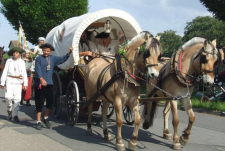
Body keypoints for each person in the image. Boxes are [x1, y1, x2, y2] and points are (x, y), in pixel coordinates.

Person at [34, 43, 73, 130]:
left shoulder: (52, 58)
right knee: (39, 102)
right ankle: (38, 121)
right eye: (44, 50)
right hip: (40, 84)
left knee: (50, 103)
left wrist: (69, 52)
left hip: (49, 84)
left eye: (47, 51)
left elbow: (62, 59)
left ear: (50, 51)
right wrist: (41, 79)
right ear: (42, 50)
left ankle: (46, 118)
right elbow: (38, 70)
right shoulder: (38, 58)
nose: (46, 52)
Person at [0, 47, 28, 122]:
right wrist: (2, 82)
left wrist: (25, 83)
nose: (15, 54)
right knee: (8, 97)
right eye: (14, 53)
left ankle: (15, 115)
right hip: (10, 81)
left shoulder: (22, 62)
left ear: (19, 54)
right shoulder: (9, 61)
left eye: (16, 53)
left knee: (17, 100)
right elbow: (5, 72)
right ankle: (9, 110)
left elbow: (24, 73)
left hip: (18, 82)